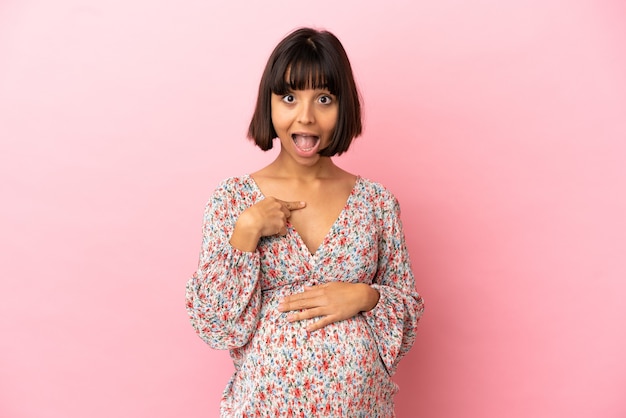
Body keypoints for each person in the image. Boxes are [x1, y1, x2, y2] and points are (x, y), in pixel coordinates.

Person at [185, 27, 424, 417]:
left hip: (358, 408)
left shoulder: (377, 204)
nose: (306, 116)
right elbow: (215, 324)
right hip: (263, 408)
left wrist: (367, 296)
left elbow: (408, 314)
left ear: (343, 106)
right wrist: (246, 232)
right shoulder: (232, 200)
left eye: (324, 99)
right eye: (290, 97)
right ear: (270, 103)